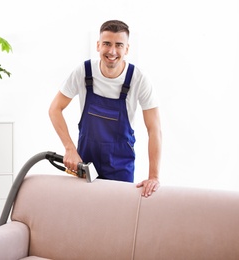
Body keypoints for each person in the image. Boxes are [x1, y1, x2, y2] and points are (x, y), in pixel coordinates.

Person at [49, 20, 162, 197]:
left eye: (119, 45)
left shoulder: (138, 80)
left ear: (127, 49)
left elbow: (154, 129)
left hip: (120, 165)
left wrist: (153, 176)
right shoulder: (84, 72)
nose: (112, 51)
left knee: (118, 218)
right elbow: (55, 109)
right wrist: (70, 149)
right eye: (107, 44)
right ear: (98, 45)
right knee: (84, 215)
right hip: (85, 162)